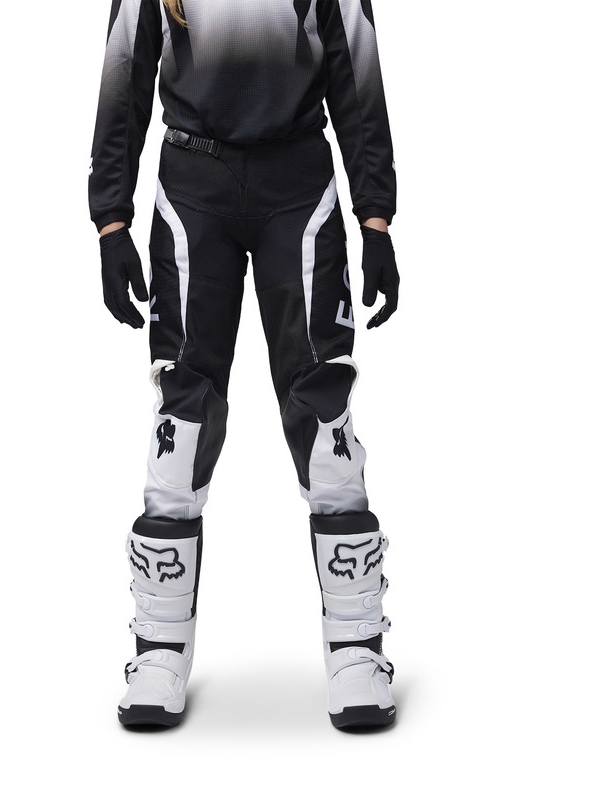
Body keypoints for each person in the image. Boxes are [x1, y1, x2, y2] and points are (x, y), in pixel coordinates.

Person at [88, 0, 400, 729]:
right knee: (183, 412)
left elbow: (357, 73)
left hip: (299, 185)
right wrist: (111, 220)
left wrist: (376, 218)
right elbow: (124, 72)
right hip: (192, 188)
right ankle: (159, 650)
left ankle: (356, 648)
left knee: (323, 409)